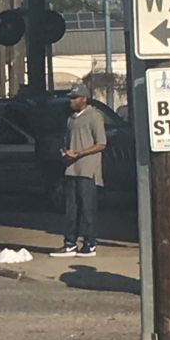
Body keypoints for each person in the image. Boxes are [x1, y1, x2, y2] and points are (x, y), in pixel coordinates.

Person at [50, 85, 107, 258]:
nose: (71, 101)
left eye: (75, 98)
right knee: (71, 209)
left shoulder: (94, 116)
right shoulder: (71, 119)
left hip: (88, 171)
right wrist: (65, 152)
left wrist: (80, 153)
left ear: (84, 98)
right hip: (71, 169)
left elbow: (101, 143)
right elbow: (68, 142)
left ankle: (89, 244)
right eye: (71, 98)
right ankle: (70, 243)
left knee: (87, 209)